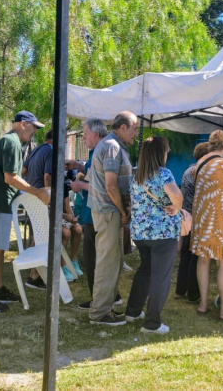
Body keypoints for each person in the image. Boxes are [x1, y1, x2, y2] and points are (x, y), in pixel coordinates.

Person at [0, 111, 50, 313]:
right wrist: (37, 192)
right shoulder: (12, 143)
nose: (35, 132)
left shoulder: (8, 141)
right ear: (24, 124)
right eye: (34, 127)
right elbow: (10, 178)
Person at [124, 137, 183, 335]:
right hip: (163, 233)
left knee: (145, 271)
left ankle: (132, 311)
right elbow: (177, 196)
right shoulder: (163, 174)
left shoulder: (136, 176)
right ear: (160, 153)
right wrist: (177, 207)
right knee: (161, 277)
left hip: (140, 233)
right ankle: (151, 323)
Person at [87, 111, 140, 326]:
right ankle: (99, 313)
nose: (136, 134)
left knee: (113, 261)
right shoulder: (112, 146)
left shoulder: (113, 145)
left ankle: (105, 308)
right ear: (123, 127)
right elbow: (110, 186)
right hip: (109, 211)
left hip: (109, 211)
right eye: (135, 129)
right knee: (107, 263)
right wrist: (124, 211)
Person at [71, 118, 125, 310]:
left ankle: (101, 300)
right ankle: (106, 297)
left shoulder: (104, 150)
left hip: (97, 214)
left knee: (96, 260)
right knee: (97, 259)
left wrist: (80, 185)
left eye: (85, 133)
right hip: (92, 213)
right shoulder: (98, 151)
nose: (83, 137)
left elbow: (105, 186)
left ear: (96, 133)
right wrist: (78, 166)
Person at [190, 130, 223, 321]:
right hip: (221, 220)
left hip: (202, 219)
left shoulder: (200, 165)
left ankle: (203, 304)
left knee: (203, 259)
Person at [21, 130, 82, 286]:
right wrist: (51, 202)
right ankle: (36, 275)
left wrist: (31, 188)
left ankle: (36, 274)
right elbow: (47, 177)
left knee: (38, 236)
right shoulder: (51, 151)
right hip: (43, 199)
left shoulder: (36, 150)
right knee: (43, 237)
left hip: (33, 198)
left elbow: (23, 171)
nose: (65, 143)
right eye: (64, 139)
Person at [174, 142, 209, 301]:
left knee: (186, 253)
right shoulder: (200, 172)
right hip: (197, 217)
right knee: (196, 255)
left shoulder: (188, 170)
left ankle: (181, 289)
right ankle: (193, 294)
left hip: (186, 216)